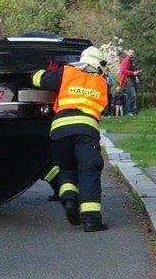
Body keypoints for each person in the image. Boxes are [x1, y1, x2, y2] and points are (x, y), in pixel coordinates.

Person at [31, 46, 109, 232]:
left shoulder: (66, 72)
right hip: (86, 131)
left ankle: (69, 200)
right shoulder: (101, 83)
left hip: (60, 130)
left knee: (67, 167)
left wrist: (49, 71)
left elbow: (36, 79)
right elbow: (105, 107)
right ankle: (92, 220)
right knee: (89, 170)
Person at [119, 49, 141, 116]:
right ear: (127, 53)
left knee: (134, 96)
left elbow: (134, 70)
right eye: (130, 52)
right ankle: (129, 111)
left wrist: (137, 73)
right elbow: (123, 70)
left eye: (132, 53)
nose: (131, 54)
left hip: (133, 79)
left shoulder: (133, 61)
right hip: (127, 79)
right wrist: (133, 73)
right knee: (132, 95)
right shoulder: (125, 61)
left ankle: (134, 111)